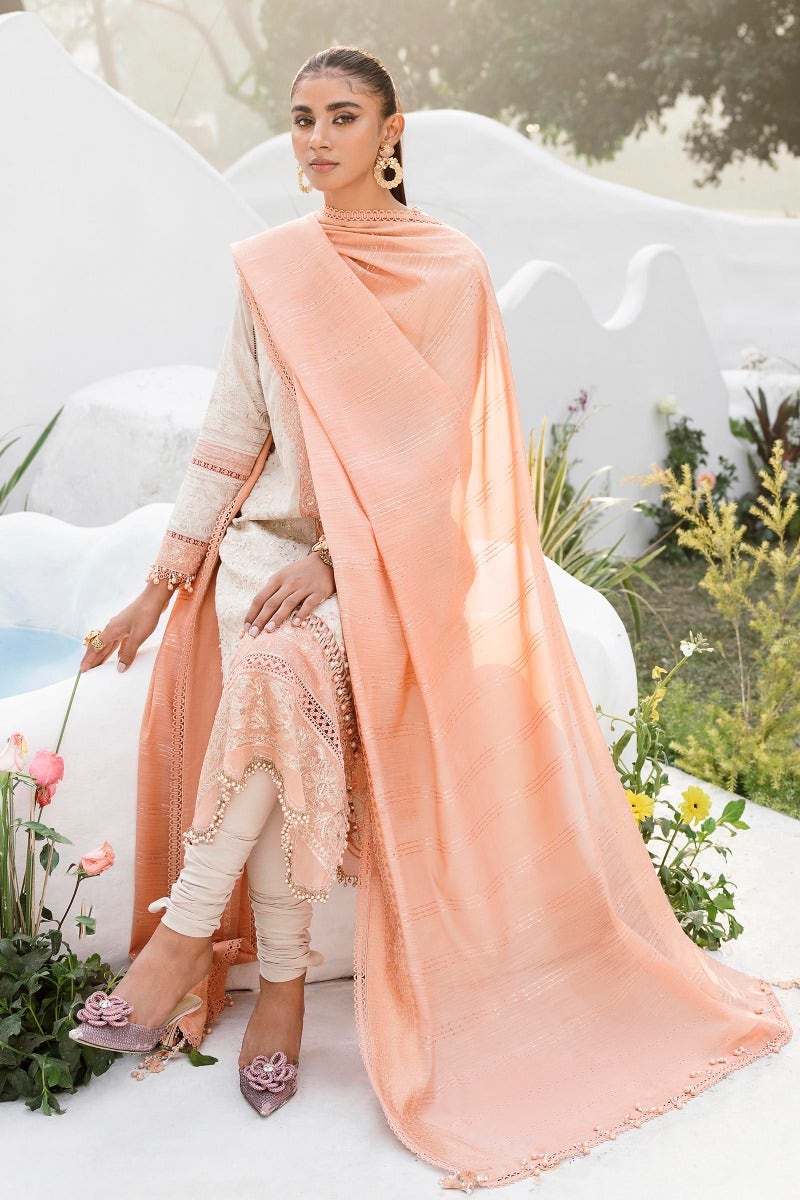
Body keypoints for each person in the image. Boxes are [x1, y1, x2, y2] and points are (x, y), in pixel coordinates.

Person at [71, 45, 793, 1191]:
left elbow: (440, 463)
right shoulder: (275, 268)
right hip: (264, 558)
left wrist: (339, 565)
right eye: (300, 118)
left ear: (391, 131)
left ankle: (180, 942)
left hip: (392, 564)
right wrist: (155, 588)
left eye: (340, 117)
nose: (316, 140)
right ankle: (282, 989)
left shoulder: (448, 270)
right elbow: (229, 435)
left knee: (280, 670)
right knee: (274, 678)